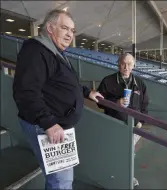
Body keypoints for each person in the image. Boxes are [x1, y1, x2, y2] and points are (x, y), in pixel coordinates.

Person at [12, 9, 103, 189]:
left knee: (62, 179)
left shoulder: (55, 51)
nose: (70, 34)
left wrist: (86, 92)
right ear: (50, 28)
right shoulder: (36, 50)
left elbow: (60, 82)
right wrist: (49, 123)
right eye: (65, 28)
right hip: (47, 126)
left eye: (72, 30)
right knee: (61, 181)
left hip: (56, 125)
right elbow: (26, 91)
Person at [97, 53, 149, 187]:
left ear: (134, 66)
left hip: (134, 127)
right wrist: (116, 102)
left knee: (130, 153)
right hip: (114, 124)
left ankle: (128, 176)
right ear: (118, 64)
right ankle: (111, 175)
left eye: (129, 64)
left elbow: (145, 105)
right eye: (123, 63)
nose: (126, 67)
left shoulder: (140, 83)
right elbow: (99, 102)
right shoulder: (107, 81)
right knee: (114, 151)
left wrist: (141, 121)